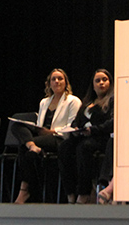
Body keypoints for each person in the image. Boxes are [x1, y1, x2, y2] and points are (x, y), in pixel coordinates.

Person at [13, 68, 81, 204]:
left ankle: (25, 190)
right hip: (43, 137)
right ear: (49, 84)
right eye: (53, 79)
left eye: (60, 78)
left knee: (23, 147)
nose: (56, 81)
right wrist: (38, 130)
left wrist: (51, 132)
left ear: (66, 82)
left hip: (60, 139)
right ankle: (32, 146)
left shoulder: (73, 101)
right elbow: (40, 124)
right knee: (16, 126)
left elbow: (72, 127)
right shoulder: (44, 102)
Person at [58, 69, 114, 204]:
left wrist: (92, 130)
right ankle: (70, 192)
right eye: (98, 80)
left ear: (110, 83)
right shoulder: (88, 103)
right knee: (64, 147)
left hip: (101, 137)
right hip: (83, 136)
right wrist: (75, 129)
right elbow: (76, 121)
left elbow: (111, 123)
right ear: (93, 85)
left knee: (84, 148)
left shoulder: (112, 101)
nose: (101, 83)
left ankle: (84, 192)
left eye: (104, 80)